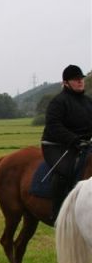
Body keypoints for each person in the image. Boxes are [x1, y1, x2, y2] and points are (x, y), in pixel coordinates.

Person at [41, 64, 92, 224]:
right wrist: (74, 140)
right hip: (57, 145)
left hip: (83, 144)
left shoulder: (88, 101)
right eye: (76, 80)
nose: (80, 82)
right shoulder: (58, 102)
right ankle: (57, 214)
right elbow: (54, 126)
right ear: (66, 83)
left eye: (81, 79)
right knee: (64, 171)